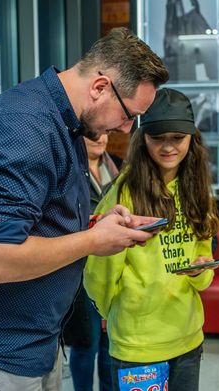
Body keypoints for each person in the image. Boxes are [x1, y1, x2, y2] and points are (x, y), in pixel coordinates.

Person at [0, 27, 169, 390]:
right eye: (128, 115)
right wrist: (93, 241)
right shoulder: (23, 126)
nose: (126, 129)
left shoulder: (65, 124)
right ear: (100, 87)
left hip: (30, 342)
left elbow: (39, 220)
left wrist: (99, 224)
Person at [84, 88, 219, 391]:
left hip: (187, 336)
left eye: (178, 138)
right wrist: (113, 312)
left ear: (192, 139)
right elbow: (99, 267)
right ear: (143, 138)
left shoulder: (197, 190)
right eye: (158, 138)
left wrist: (200, 272)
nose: (168, 147)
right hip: (137, 343)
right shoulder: (124, 193)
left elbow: (203, 259)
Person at [63, 135, 121, 391]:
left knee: (110, 344)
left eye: (105, 133)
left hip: (114, 265)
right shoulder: (70, 170)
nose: (101, 138)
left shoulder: (119, 166)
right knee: (86, 343)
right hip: (82, 267)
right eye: (93, 135)